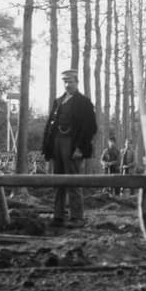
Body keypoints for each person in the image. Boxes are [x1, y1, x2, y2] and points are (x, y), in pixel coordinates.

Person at [42, 68, 99, 226]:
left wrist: (80, 148)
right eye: (65, 82)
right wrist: (47, 147)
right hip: (57, 142)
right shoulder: (58, 101)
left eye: (71, 81)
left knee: (73, 180)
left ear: (77, 82)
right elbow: (49, 125)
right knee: (58, 180)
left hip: (72, 143)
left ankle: (77, 216)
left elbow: (91, 127)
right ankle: (58, 215)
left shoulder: (84, 102)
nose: (68, 85)